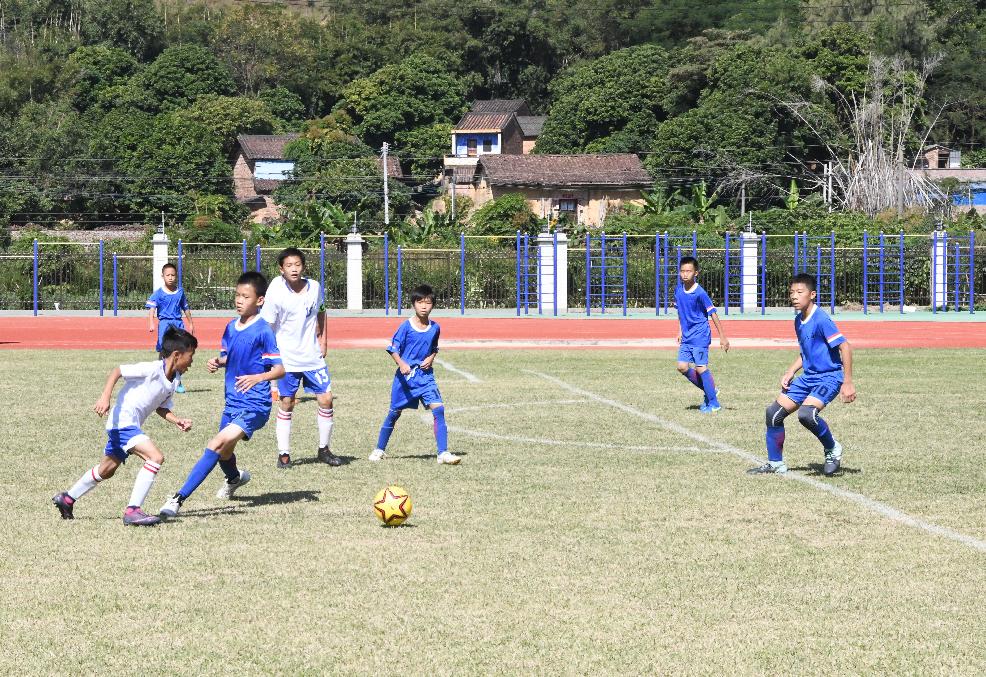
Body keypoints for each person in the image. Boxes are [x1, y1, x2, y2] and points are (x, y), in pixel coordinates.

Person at [158, 272, 284, 518]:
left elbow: (280, 369)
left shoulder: (263, 331)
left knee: (215, 444)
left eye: (245, 296)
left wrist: (257, 378)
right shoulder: (230, 327)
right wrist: (219, 361)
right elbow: (234, 357)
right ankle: (235, 478)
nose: (239, 300)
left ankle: (177, 499)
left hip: (255, 404)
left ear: (259, 301)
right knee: (225, 453)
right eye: (237, 295)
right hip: (232, 402)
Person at [52, 327, 198, 526]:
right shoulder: (152, 369)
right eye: (191, 355)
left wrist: (177, 420)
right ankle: (133, 511)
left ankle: (67, 499)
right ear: (177, 355)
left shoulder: (173, 382)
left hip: (127, 425)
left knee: (106, 470)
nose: (192, 361)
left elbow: (161, 408)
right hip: (122, 423)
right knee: (155, 457)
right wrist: (105, 397)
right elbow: (118, 371)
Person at [749, 273, 856, 476]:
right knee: (773, 414)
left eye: (800, 292)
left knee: (806, 415)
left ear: (812, 294)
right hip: (809, 377)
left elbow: (845, 346)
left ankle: (832, 448)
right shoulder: (799, 320)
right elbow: (806, 351)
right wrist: (791, 370)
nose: (794, 296)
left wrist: (848, 382)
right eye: (792, 292)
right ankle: (775, 463)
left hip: (829, 376)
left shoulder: (821, 318)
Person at [261, 247, 341, 468]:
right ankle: (284, 454)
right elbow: (266, 325)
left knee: (326, 399)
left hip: (312, 356)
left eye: (297, 265)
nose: (294, 269)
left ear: (303, 267)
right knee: (287, 403)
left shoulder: (314, 287)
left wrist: (323, 340)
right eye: (289, 265)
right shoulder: (275, 291)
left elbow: (322, 311)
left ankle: (324, 450)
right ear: (281, 269)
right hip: (286, 358)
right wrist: (269, 356)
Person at [369, 284, 460, 465]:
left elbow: (434, 348)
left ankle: (443, 453)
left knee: (439, 409)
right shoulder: (406, 326)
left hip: (425, 377)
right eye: (420, 302)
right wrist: (402, 363)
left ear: (433, 305)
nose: (424, 306)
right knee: (394, 413)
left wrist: (431, 358)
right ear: (413, 304)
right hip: (406, 379)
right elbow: (393, 348)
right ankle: (379, 449)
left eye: (428, 302)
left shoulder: (435, 328)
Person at [674, 256, 729, 412]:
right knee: (682, 367)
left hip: (700, 335)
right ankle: (711, 389)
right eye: (682, 271)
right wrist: (679, 330)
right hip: (687, 336)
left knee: (700, 368)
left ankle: (714, 403)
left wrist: (722, 337)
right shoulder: (678, 290)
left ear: (696, 273)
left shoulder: (700, 293)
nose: (685, 274)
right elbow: (680, 312)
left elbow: (713, 313)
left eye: (689, 271)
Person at [146, 263, 195, 393]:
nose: (171, 277)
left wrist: (190, 323)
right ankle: (159, 377)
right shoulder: (158, 293)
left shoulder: (180, 292)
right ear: (163, 276)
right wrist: (151, 322)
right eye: (168, 275)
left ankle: (178, 381)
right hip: (164, 324)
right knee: (164, 351)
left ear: (176, 276)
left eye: (173, 275)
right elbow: (152, 309)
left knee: (180, 351)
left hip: (178, 323)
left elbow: (186, 308)